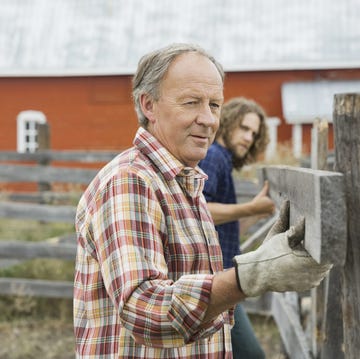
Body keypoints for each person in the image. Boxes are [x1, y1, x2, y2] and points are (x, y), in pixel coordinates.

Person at [73, 43, 332, 358]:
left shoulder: (184, 182)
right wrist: (250, 274)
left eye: (214, 104)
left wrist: (262, 259)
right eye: (192, 102)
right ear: (149, 105)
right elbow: (145, 310)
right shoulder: (130, 182)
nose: (208, 119)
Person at [199, 97, 275, 358]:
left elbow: (222, 227)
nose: (248, 138)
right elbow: (198, 212)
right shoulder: (213, 156)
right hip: (211, 280)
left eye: (253, 134)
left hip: (217, 279)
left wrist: (255, 213)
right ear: (228, 122)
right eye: (243, 128)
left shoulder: (221, 160)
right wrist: (250, 208)